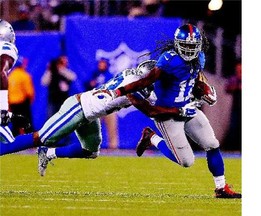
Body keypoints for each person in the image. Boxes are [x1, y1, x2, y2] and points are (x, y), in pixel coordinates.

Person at [104, 23, 241, 198]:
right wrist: (119, 91)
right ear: (178, 45)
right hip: (166, 113)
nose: (190, 51)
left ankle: (221, 188)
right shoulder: (168, 60)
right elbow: (146, 84)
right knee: (186, 161)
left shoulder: (199, 58)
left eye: (193, 46)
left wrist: (204, 89)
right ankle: (151, 137)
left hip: (187, 108)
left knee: (212, 144)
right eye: (186, 46)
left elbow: (193, 78)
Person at [0, 60, 195, 178]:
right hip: (78, 108)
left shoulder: (135, 79)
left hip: (91, 114)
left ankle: (48, 153)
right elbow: (152, 111)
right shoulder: (132, 86)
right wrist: (181, 111)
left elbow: (158, 99)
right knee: (39, 137)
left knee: (90, 151)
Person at [85, 58, 119, 149]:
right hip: (97, 105)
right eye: (100, 63)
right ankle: (91, 147)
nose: (101, 65)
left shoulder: (110, 75)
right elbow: (87, 85)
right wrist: (91, 84)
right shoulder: (95, 74)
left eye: (103, 64)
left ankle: (113, 147)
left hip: (109, 105)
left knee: (112, 128)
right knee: (94, 128)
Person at [8, 56, 35, 135]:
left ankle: (15, 143)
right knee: (27, 124)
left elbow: (7, 92)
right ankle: (29, 141)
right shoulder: (24, 76)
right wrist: (30, 101)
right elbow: (29, 92)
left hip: (13, 104)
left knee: (15, 125)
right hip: (23, 104)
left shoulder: (10, 76)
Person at [223, 60, 242, 151]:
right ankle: (233, 148)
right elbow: (227, 88)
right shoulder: (234, 79)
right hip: (236, 107)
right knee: (234, 127)